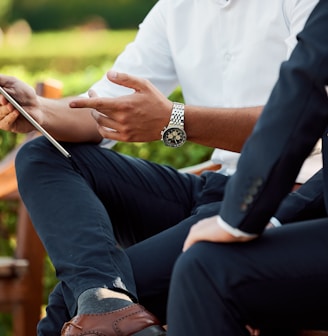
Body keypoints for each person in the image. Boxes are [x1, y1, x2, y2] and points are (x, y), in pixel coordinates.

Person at [0, 0, 320, 335]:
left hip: (284, 197)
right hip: (213, 190)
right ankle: (104, 299)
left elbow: (300, 122)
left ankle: (104, 303)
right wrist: (38, 109)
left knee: (66, 312)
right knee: (41, 155)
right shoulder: (176, 7)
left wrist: (175, 120)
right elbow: (105, 108)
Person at [166, 0, 328, 335]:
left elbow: (305, 86)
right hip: (222, 193)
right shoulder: (174, 9)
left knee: (205, 270)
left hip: (245, 199)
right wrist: (269, 218)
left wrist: (238, 218)